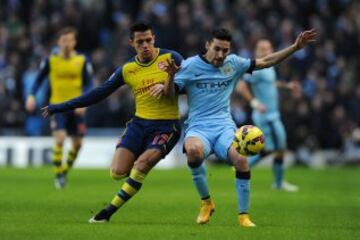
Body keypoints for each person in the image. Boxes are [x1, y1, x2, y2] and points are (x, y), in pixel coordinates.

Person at [159, 28, 316, 227]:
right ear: (208, 45)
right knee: (193, 151)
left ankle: (244, 217)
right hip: (198, 127)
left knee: (241, 160)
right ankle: (206, 202)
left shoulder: (233, 63)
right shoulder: (190, 66)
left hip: (225, 127)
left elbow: (266, 61)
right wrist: (170, 76)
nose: (221, 55)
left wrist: (295, 47)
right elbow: (168, 94)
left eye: (225, 50)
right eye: (217, 49)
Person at [40, 22, 183, 223]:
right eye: (140, 41)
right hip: (139, 124)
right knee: (117, 173)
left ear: (154, 39)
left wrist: (168, 80)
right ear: (131, 43)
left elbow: (187, 86)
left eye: (149, 40)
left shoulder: (171, 58)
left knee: (141, 165)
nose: (145, 45)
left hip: (167, 125)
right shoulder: (128, 69)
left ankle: (106, 213)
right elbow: (98, 94)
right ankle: (136, 161)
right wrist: (60, 106)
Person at [25, 27, 93, 189]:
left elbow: (89, 84)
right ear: (58, 42)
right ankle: (58, 176)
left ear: (75, 42)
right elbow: (38, 80)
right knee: (60, 138)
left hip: (77, 107)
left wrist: (85, 102)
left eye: (70, 40)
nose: (67, 44)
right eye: (64, 40)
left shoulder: (83, 60)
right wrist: (31, 96)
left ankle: (64, 171)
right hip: (57, 106)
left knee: (77, 145)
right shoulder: (50, 60)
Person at [237, 39, 301, 192]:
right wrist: (254, 102)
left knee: (278, 148)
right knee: (273, 148)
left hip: (274, 115)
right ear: (256, 51)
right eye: (261, 49)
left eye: (267, 48)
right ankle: (242, 165)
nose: (265, 51)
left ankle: (278, 183)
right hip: (265, 116)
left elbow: (271, 83)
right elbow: (241, 85)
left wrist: (286, 85)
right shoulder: (256, 68)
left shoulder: (269, 67)